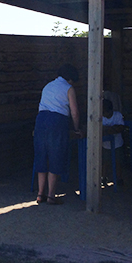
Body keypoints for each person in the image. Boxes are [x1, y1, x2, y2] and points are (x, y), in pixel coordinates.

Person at [33, 64, 81, 205]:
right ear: (71, 78)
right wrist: (77, 128)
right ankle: (51, 196)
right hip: (57, 122)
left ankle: (40, 193)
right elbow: (75, 112)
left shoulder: (48, 86)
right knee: (55, 155)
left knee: (42, 155)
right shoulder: (68, 88)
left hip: (41, 120)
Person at [101, 99, 125, 187]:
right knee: (105, 161)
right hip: (105, 145)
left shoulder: (117, 115)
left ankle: (119, 178)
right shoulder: (101, 117)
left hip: (118, 144)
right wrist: (111, 129)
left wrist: (107, 129)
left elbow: (121, 127)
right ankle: (103, 177)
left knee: (118, 161)